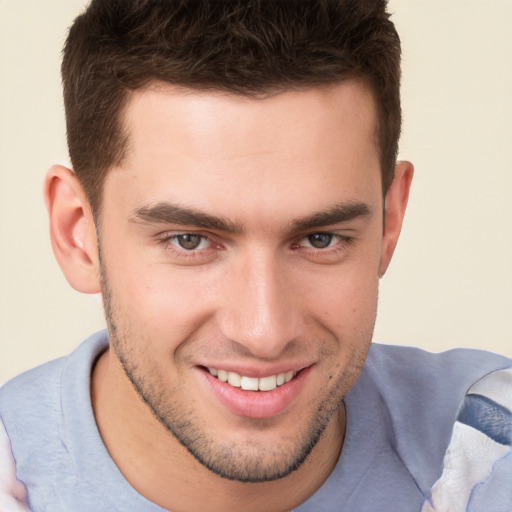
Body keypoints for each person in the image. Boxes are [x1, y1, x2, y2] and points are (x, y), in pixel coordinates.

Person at [0, 1, 511, 510]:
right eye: (190, 241)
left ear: (389, 220)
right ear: (77, 233)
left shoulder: (489, 445)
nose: (264, 331)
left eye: (320, 239)